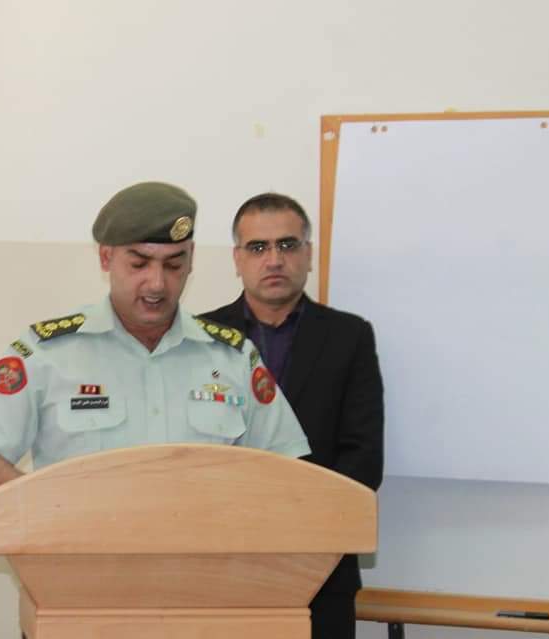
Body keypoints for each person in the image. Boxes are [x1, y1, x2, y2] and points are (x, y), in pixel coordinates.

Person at [0, 182, 311, 500]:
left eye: (173, 265)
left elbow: (289, 472)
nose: (157, 283)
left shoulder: (232, 358)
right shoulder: (48, 354)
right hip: (83, 554)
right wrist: (53, 514)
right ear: (106, 257)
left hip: (202, 556)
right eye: (139, 264)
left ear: (191, 260)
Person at [200, 192, 384, 639]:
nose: (274, 259)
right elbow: (187, 452)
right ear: (237, 259)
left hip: (320, 567)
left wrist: (297, 527)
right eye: (258, 247)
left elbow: (363, 459)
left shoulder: (349, 336)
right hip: (219, 564)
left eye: (287, 244)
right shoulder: (201, 338)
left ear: (309, 254)